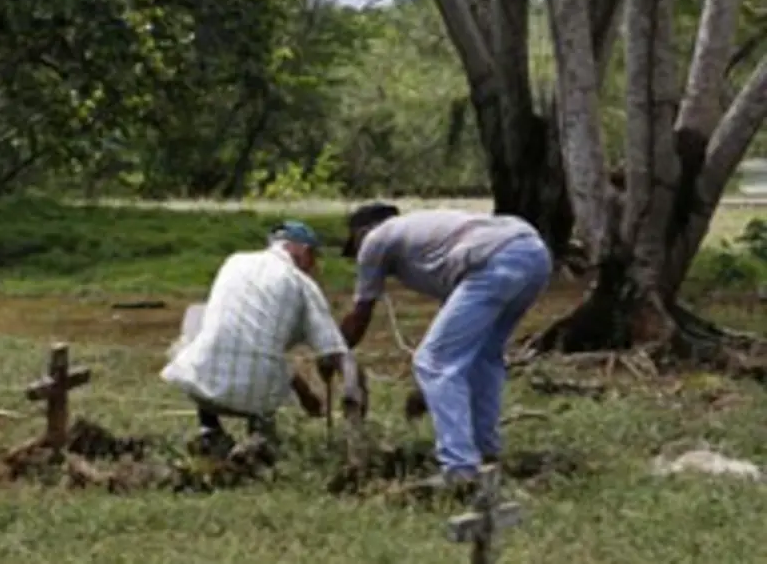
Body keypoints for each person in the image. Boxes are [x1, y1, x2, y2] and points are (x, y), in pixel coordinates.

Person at [338, 203, 551, 493]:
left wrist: (332, 350)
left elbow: (360, 317)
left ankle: (460, 469)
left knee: (433, 361)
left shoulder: (376, 239)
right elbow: (457, 337)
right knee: (482, 357)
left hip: (494, 259)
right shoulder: (426, 238)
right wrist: (425, 390)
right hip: (533, 254)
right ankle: (486, 453)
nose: (358, 257)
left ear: (361, 232)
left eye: (354, 247)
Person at [161, 220, 362, 459]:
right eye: (314, 257)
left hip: (199, 384)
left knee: (197, 315)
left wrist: (305, 393)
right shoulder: (303, 285)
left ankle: (209, 428)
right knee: (263, 363)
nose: (314, 265)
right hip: (257, 399)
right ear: (304, 252)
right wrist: (351, 389)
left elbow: (246, 336)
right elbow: (336, 352)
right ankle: (260, 439)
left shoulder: (234, 262)